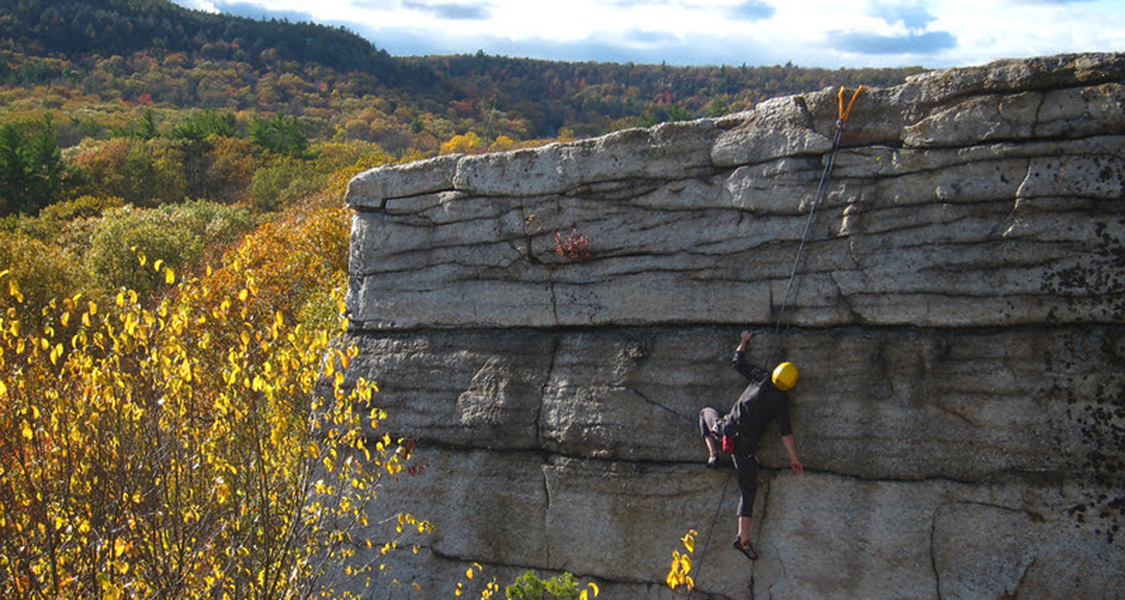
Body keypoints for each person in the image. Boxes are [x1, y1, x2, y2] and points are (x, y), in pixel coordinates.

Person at [698, 330, 803, 561]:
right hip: (744, 448)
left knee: (705, 413)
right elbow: (785, 432)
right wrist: (793, 458)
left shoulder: (762, 376)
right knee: (748, 490)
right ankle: (743, 538)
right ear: (790, 384)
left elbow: (738, 363)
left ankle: (713, 454)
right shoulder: (781, 401)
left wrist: (743, 341)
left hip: (725, 429)